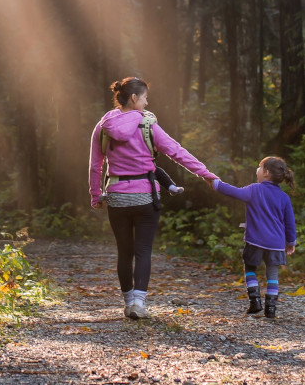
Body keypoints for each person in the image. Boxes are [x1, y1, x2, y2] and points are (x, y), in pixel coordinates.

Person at [89, 76, 217, 320]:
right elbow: (176, 152)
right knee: (143, 251)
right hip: (146, 196)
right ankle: (139, 303)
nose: (147, 103)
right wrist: (205, 174)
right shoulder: (148, 125)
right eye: (145, 98)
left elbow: (96, 165)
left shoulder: (103, 125)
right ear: (135, 98)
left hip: (117, 196)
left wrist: (96, 195)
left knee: (124, 252)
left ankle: (128, 303)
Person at [212, 156, 296, 320]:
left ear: (266, 173)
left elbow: (233, 191)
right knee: (272, 274)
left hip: (255, 240)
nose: (256, 170)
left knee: (250, 268)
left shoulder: (254, 189)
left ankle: (255, 300)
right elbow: (290, 223)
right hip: (276, 244)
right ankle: (271, 309)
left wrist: (215, 183)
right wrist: (290, 242)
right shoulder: (284, 197)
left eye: (259, 167)